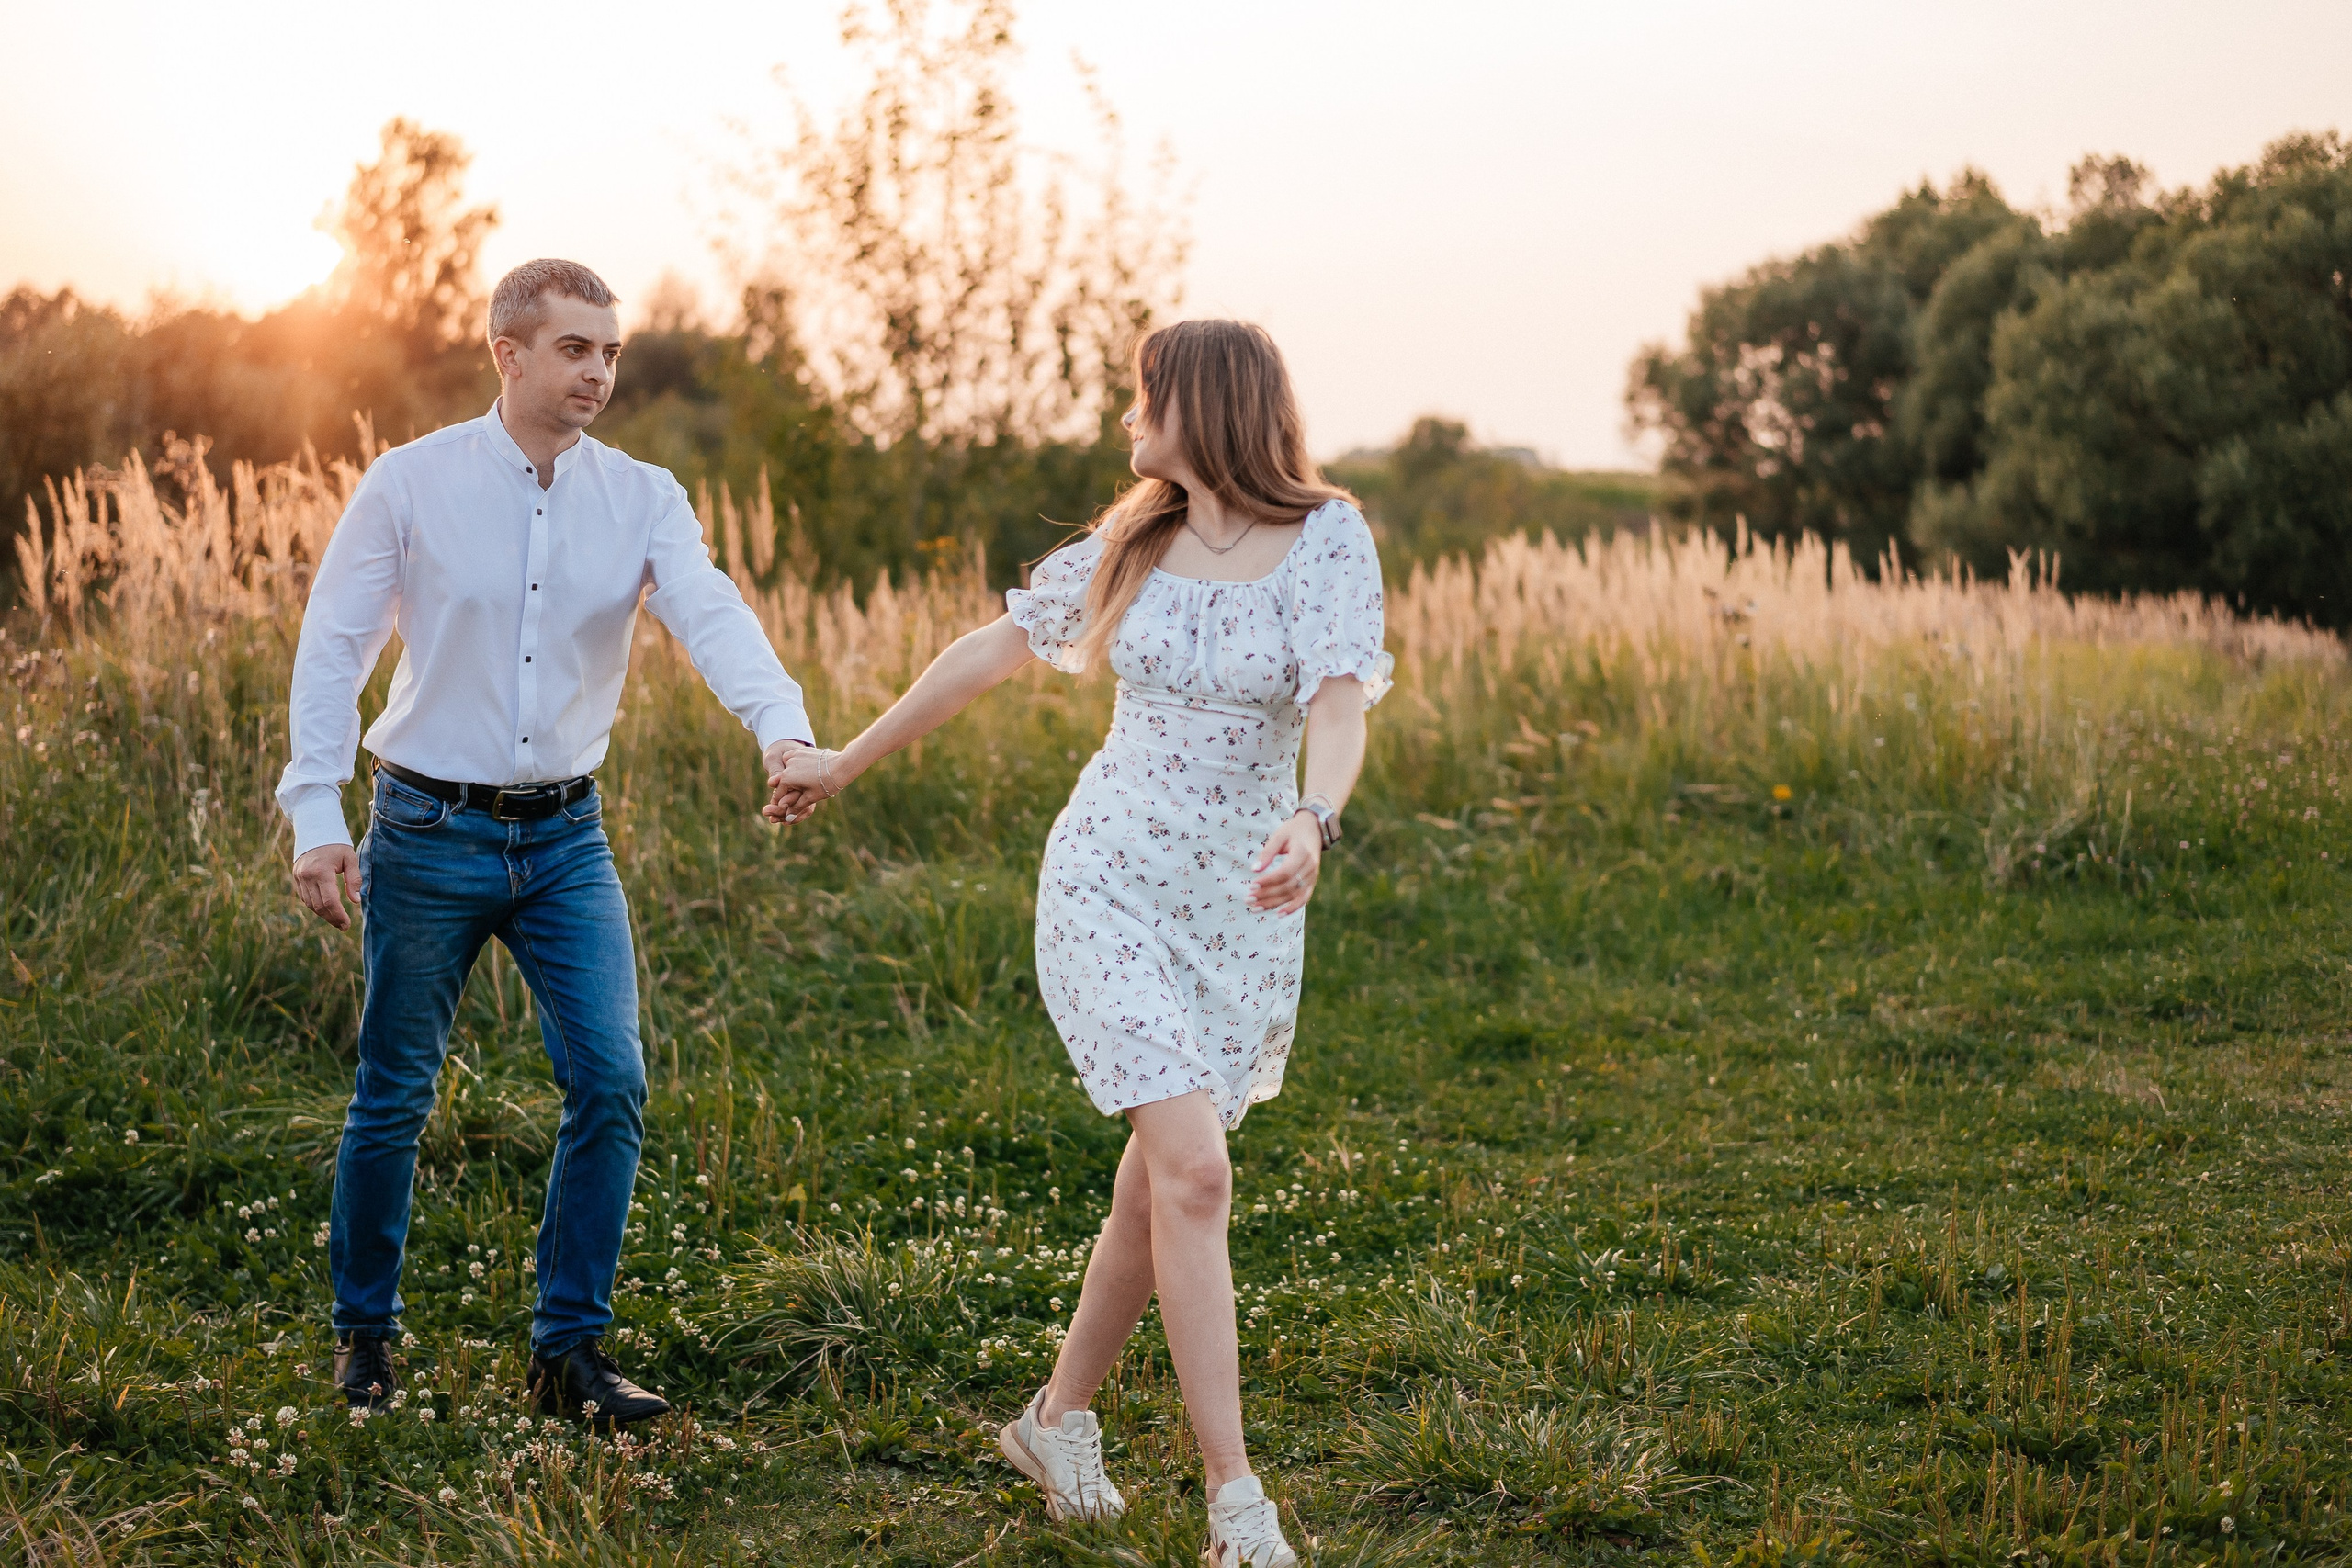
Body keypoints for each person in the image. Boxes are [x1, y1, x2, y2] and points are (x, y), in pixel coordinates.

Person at [767, 319, 1388, 1568]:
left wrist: (1315, 818)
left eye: (1143, 395)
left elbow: (1338, 699)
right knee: (1196, 1174)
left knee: (1158, 1182)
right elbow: (991, 651)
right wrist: (844, 761)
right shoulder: (1133, 539)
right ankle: (1236, 1506)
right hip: (1108, 881)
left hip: (1240, 903)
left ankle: (1056, 1420)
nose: (1127, 419)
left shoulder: (1328, 537)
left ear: (1204, 402)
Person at [278, 259, 815, 1426]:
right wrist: (316, 814)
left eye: (610, 352)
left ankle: (567, 1352)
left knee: (611, 1081)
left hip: (566, 839)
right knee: (394, 1094)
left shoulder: (643, 498)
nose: (598, 372)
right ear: (508, 353)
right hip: (424, 830)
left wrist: (782, 728)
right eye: (575, 349)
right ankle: (364, 1339)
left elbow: (710, 613)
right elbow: (333, 650)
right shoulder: (411, 483)